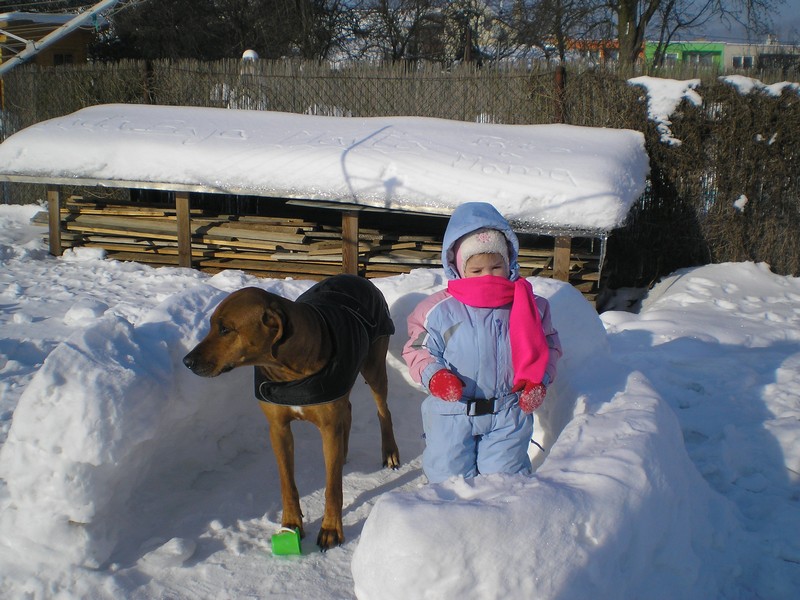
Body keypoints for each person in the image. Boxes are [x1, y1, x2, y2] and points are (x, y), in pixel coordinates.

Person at [403, 202, 562, 484]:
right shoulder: (438, 310)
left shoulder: (529, 306)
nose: (487, 277)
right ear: (458, 268)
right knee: (449, 484)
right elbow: (418, 349)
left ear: (509, 262)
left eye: (496, 266)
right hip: (452, 413)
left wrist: (540, 380)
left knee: (502, 485)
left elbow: (547, 347)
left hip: (507, 413)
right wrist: (435, 376)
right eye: (476, 270)